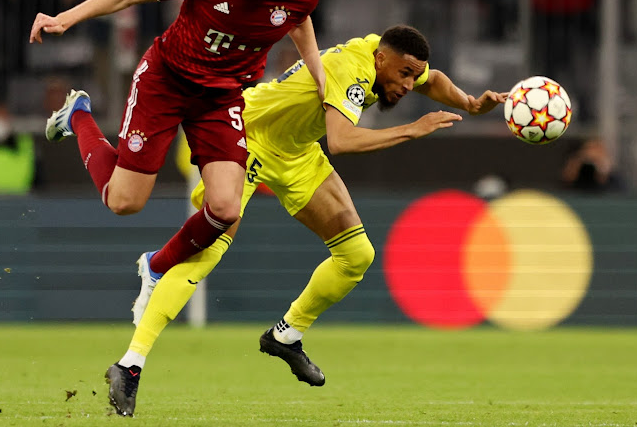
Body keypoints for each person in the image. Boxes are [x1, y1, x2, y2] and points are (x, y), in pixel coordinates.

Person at [105, 25, 507, 416]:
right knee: (207, 252)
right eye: (404, 75)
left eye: (411, 77)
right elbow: (342, 142)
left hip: (296, 153)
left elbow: (431, 79)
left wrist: (470, 103)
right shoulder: (353, 71)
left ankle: (286, 335)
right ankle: (130, 364)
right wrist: (413, 130)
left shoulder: (383, 55)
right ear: (381, 60)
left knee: (356, 255)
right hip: (246, 138)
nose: (407, 86)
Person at [27, 0, 326, 403]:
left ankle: (157, 265)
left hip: (220, 98)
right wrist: (64, 18)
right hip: (165, 81)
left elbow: (304, 36)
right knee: (125, 201)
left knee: (226, 207)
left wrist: (324, 89)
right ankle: (78, 113)